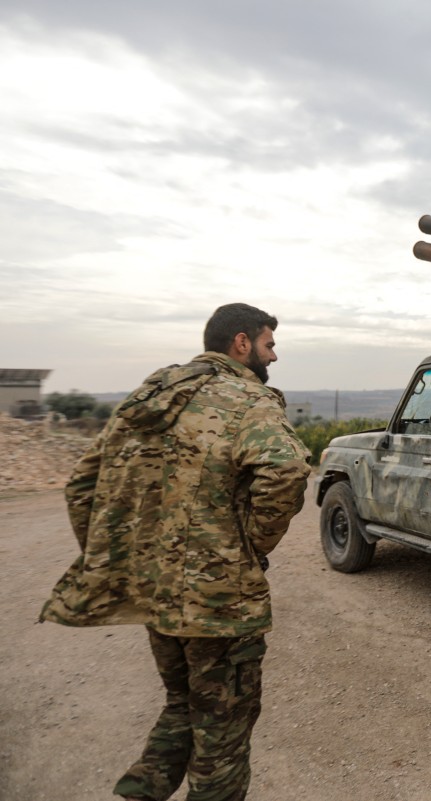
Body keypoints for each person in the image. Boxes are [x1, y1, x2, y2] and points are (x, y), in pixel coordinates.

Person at [40, 303, 312, 801]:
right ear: (242, 343)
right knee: (224, 730)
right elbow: (287, 469)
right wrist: (249, 545)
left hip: (155, 594)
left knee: (183, 702)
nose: (275, 356)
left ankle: (140, 792)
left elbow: (81, 485)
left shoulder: (150, 395)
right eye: (270, 344)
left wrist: (125, 559)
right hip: (217, 603)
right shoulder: (245, 397)